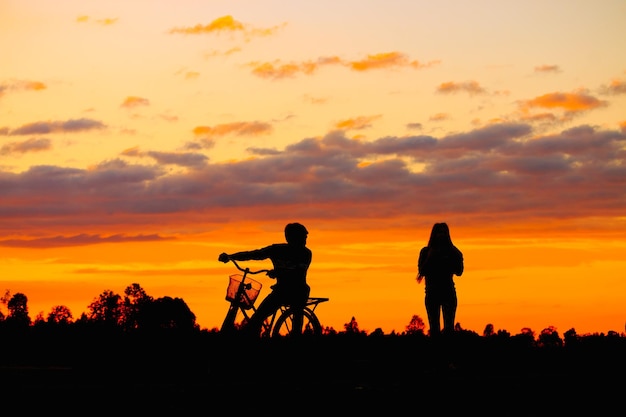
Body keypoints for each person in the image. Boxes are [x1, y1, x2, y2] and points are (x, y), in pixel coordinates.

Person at [218, 222, 312, 337]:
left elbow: (297, 274)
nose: (305, 240)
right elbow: (254, 254)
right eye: (303, 237)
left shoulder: (305, 253)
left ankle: (296, 337)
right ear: (292, 237)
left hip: (298, 291)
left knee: (297, 312)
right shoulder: (277, 250)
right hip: (281, 291)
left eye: (305, 237)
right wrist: (231, 257)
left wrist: (277, 273)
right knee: (257, 317)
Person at [417, 222, 464, 336]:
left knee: (449, 329)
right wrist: (431, 256)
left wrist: (451, 255)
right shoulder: (426, 252)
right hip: (432, 294)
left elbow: (459, 271)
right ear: (434, 235)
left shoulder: (453, 252)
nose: (441, 236)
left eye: (443, 233)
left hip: (448, 293)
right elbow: (422, 271)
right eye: (439, 233)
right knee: (434, 330)